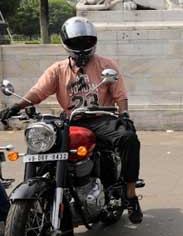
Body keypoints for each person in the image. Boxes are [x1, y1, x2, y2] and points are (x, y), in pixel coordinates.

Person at [0, 16, 143, 224]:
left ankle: (130, 196)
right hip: (70, 121)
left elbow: (120, 95)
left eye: (85, 41)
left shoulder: (106, 65)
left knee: (128, 138)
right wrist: (15, 106)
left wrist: (124, 115)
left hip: (101, 118)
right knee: (39, 146)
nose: (82, 46)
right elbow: (38, 92)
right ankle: (33, 206)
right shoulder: (58, 69)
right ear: (66, 43)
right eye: (76, 42)